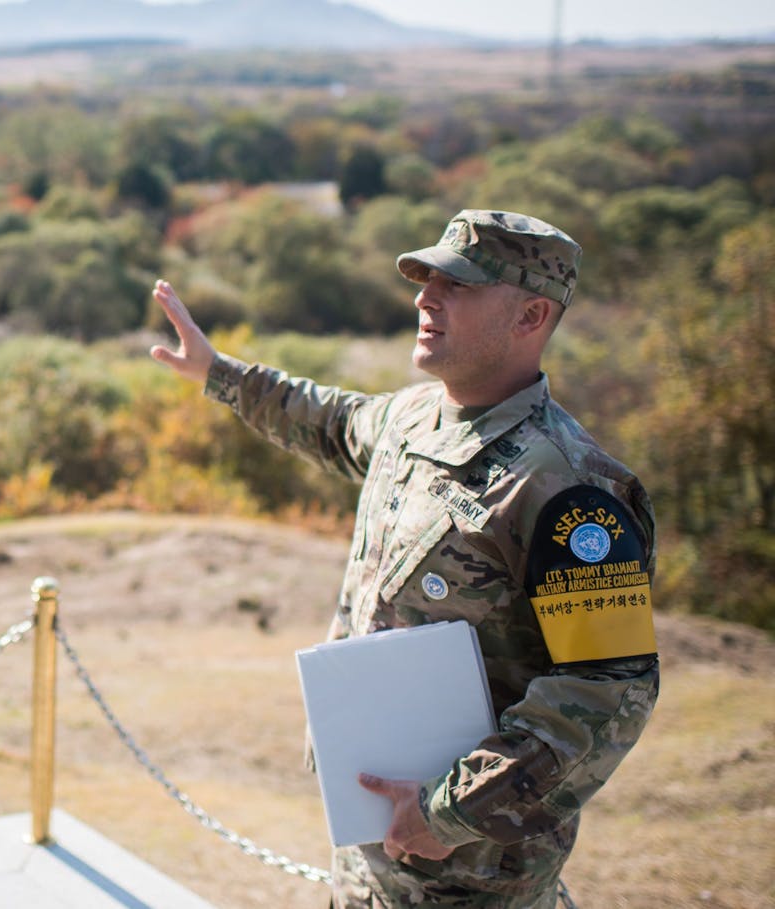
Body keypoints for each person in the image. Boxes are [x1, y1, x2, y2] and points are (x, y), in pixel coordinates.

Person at [149, 210, 658, 907]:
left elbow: (609, 691)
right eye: (426, 280)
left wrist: (451, 811)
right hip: (369, 863)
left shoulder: (569, 488)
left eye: (459, 285)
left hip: (477, 880)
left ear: (532, 314)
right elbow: (326, 419)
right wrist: (219, 374)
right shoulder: (414, 418)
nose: (426, 298)